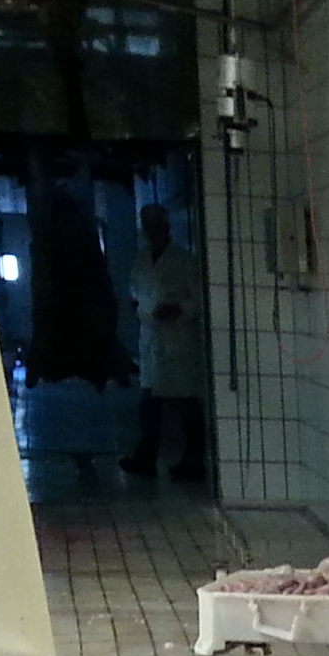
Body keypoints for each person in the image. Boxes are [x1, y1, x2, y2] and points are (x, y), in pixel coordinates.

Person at [120, 203, 210, 483]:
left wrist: (178, 309)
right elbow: (136, 292)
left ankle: (194, 461)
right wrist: (138, 306)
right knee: (149, 404)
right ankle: (146, 458)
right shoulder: (141, 260)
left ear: (166, 227)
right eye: (148, 226)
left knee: (186, 404)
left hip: (178, 342)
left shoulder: (184, 260)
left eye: (157, 225)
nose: (152, 231)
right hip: (151, 340)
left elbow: (200, 299)